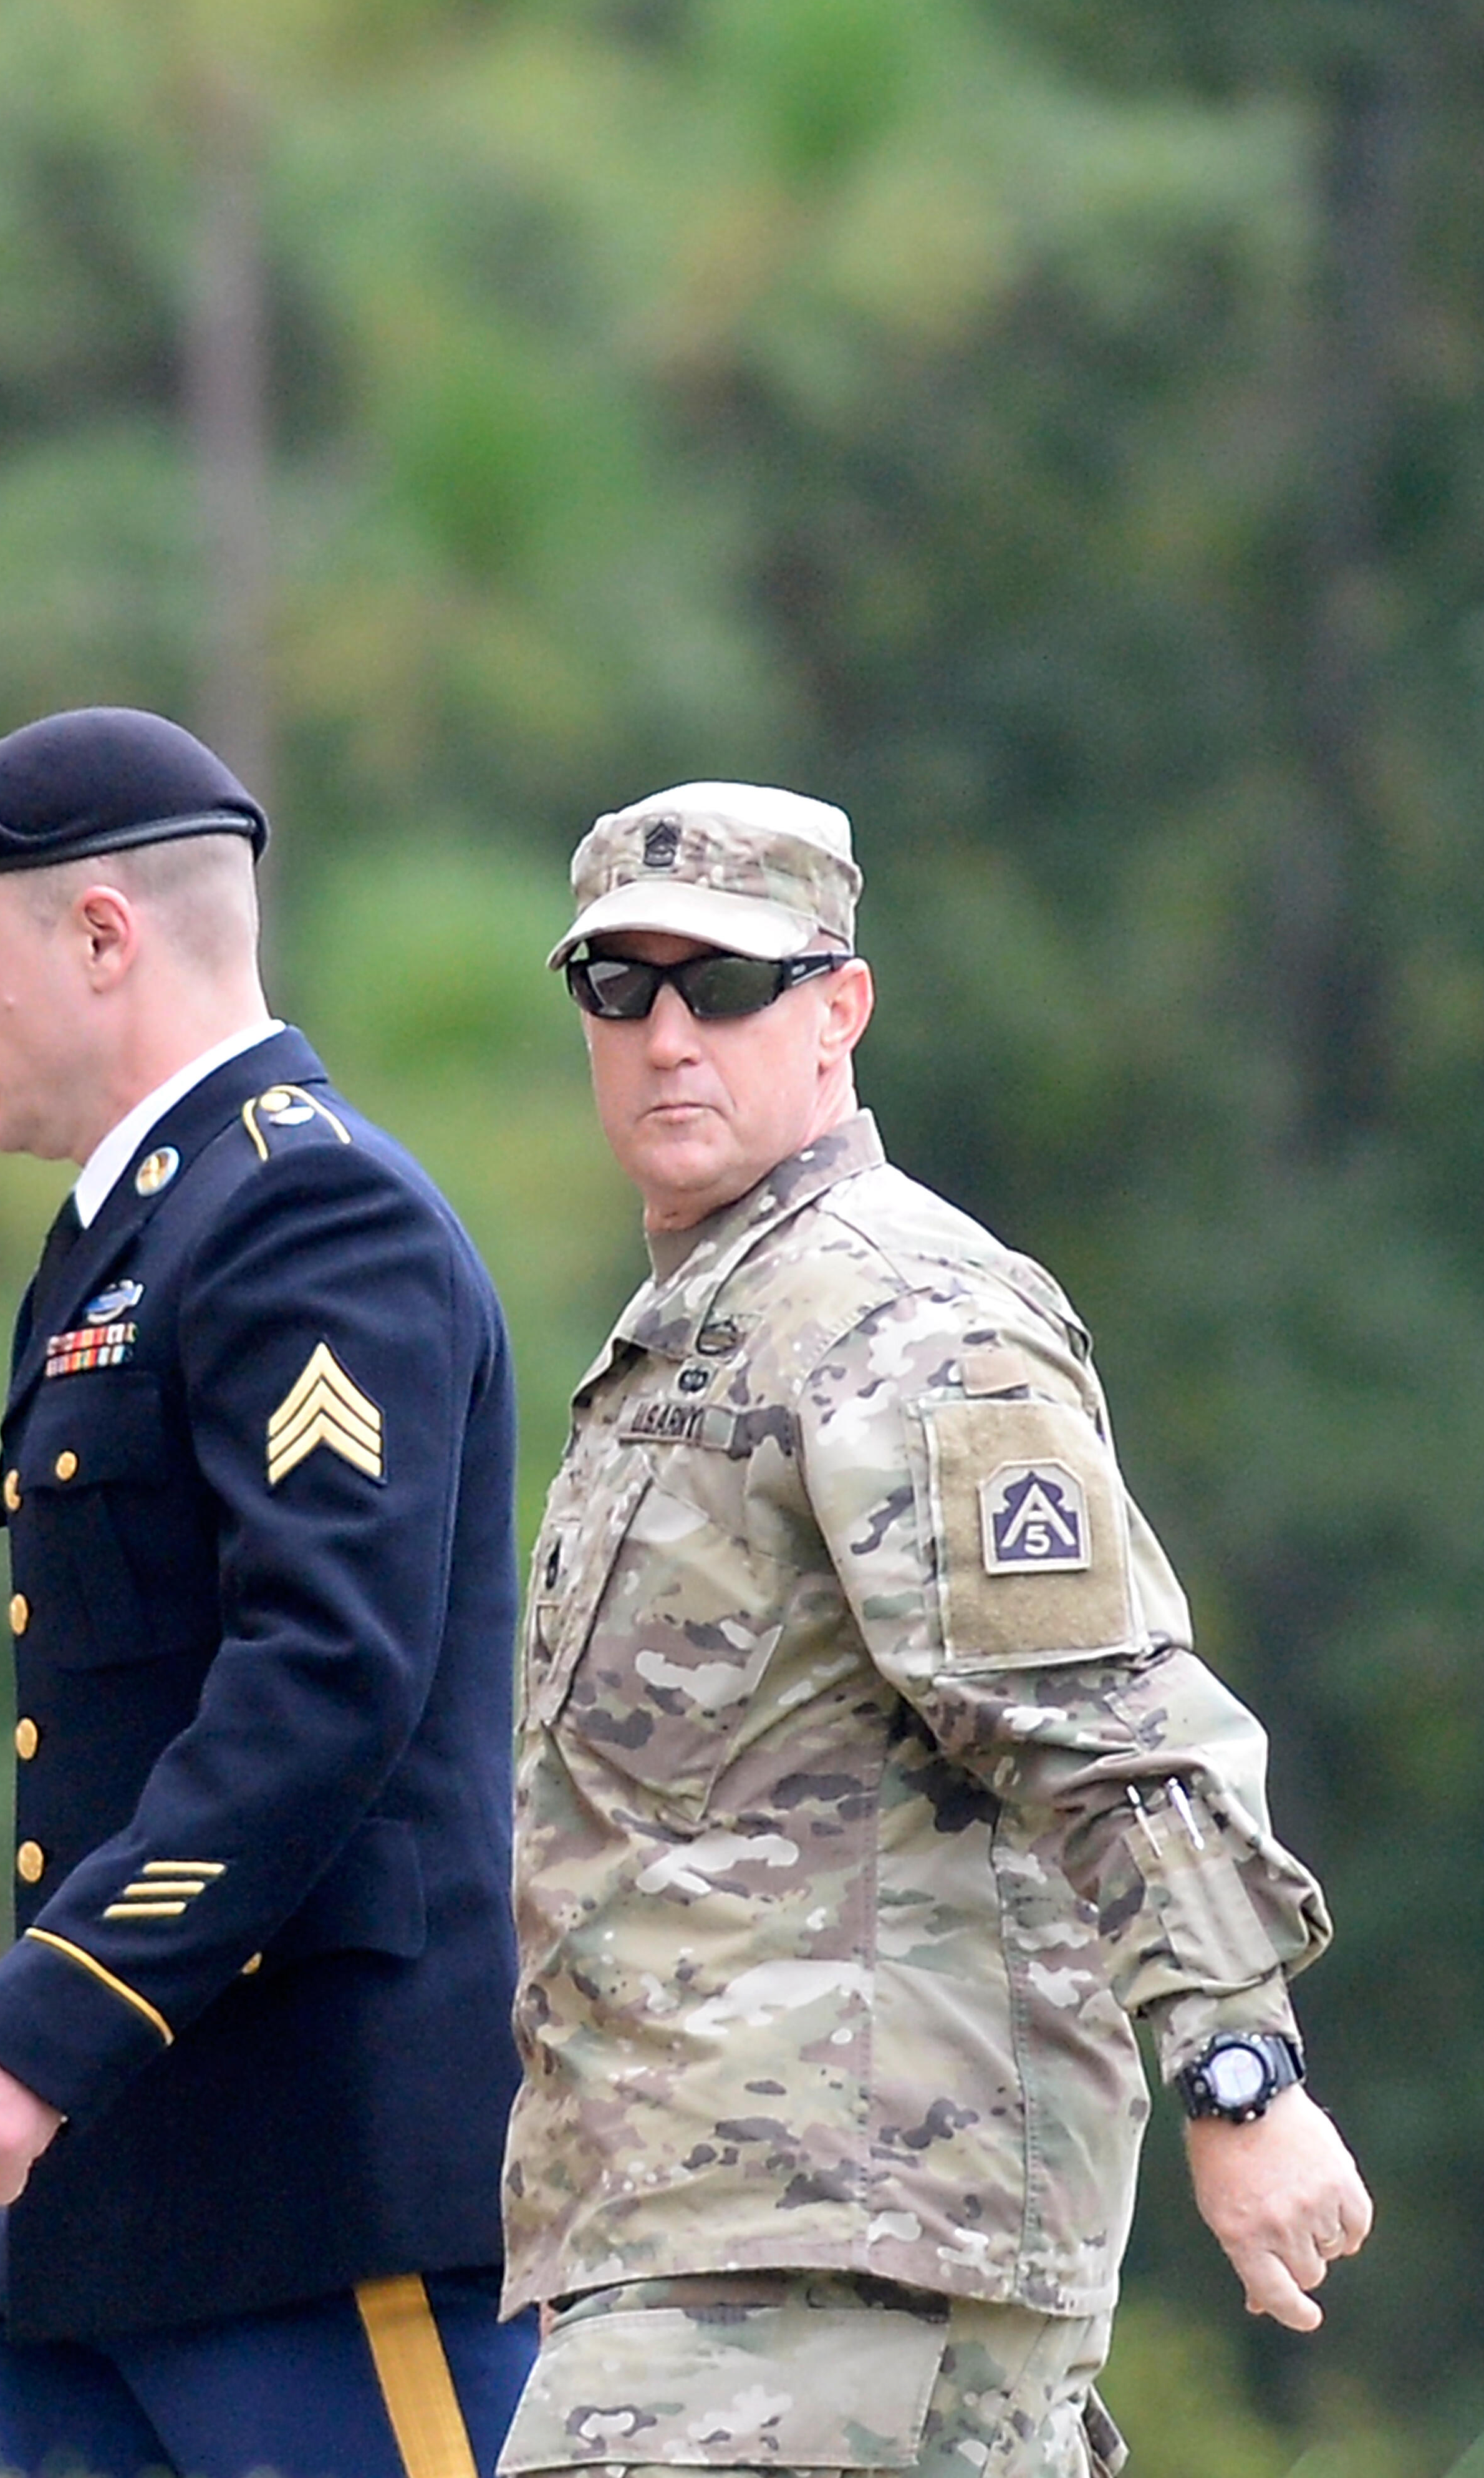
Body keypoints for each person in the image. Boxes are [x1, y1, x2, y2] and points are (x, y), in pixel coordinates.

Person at [496, 783, 1372, 2478]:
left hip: (840, 2250)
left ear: (839, 1007)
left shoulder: (897, 1315)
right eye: (620, 986)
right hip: (711, 2243)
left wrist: (1239, 2079)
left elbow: (1102, 1716)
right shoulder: (700, 1325)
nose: (667, 1032)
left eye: (725, 984)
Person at [0, 706, 536, 2478]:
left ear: (100, 937)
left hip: (317, 2205)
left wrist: (41, 2021)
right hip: (109, 2209)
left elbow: (322, 1682)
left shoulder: (309, 1217)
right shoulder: (133, 1236)